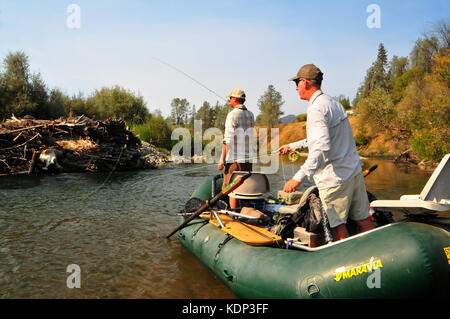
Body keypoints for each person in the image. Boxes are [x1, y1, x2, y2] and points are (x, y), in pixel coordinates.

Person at [278, 64, 375, 240]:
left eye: (297, 83)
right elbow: (320, 139)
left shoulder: (316, 109)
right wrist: (292, 146)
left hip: (334, 179)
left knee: (338, 227)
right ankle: (380, 253)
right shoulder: (333, 103)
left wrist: (297, 177)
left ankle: (349, 264)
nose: (296, 88)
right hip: (354, 173)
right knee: (363, 220)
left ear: (305, 83)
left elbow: (321, 147)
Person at [218, 88, 255, 210]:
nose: (229, 100)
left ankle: (234, 216)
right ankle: (246, 213)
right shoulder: (251, 114)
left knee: (232, 189)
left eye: (230, 98)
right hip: (248, 159)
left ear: (234, 99)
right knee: (246, 187)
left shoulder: (232, 115)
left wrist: (221, 159)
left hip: (234, 159)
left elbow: (227, 139)